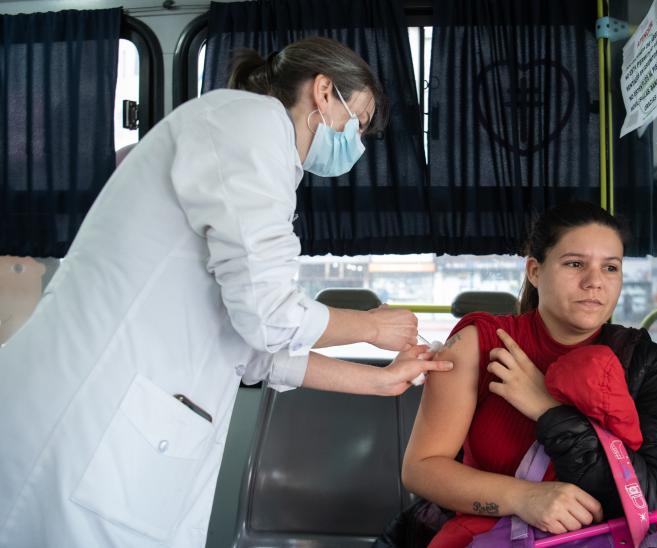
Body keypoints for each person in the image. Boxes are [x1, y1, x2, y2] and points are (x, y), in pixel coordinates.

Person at [0, 37, 452, 548]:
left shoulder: (257, 151)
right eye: (359, 120)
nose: (357, 141)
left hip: (122, 431)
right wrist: (371, 326)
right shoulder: (251, 125)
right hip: (85, 423)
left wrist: (381, 383)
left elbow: (255, 353)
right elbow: (270, 317)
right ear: (325, 92)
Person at [401, 202, 657, 547]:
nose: (594, 281)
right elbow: (421, 468)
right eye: (575, 264)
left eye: (610, 267)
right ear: (535, 271)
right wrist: (524, 497)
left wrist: (548, 410)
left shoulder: (641, 360)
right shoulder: (480, 342)